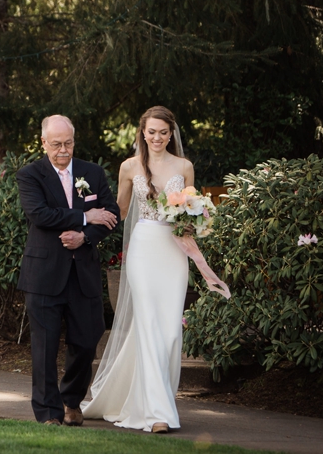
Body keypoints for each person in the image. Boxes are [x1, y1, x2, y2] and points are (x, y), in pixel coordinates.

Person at [82, 105, 228, 433]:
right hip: (144, 247)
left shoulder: (184, 167)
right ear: (142, 132)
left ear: (171, 133)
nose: (157, 137)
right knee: (147, 326)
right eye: (152, 132)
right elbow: (118, 210)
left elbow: (193, 209)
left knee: (171, 332)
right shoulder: (129, 167)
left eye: (163, 132)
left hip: (173, 251)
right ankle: (158, 414)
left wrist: (197, 222)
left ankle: (150, 400)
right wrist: (86, 222)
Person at [16, 115, 120, 426]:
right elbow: (40, 214)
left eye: (69, 143)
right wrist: (86, 217)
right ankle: (49, 413)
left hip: (83, 273)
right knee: (44, 347)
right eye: (57, 144)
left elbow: (112, 215)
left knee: (87, 340)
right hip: (44, 274)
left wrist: (84, 236)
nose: (63, 150)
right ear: (43, 142)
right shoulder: (30, 175)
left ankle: (71, 400)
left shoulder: (92, 172)